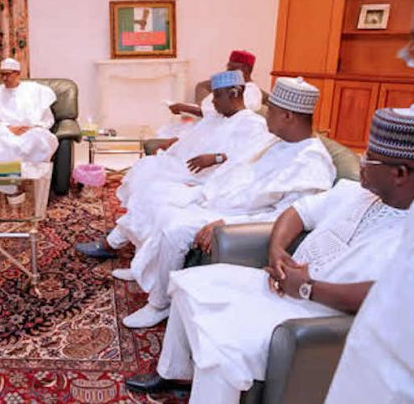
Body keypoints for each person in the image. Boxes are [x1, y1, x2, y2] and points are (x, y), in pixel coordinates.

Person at [125, 106, 414, 404]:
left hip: (319, 312)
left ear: (400, 173)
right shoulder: (354, 193)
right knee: (188, 284)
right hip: (283, 286)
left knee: (222, 348)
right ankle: (175, 373)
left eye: (369, 159)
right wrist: (277, 251)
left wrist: (306, 288)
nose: (360, 163)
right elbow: (297, 212)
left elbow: (391, 296)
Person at [122, 77, 335, 328]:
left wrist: (226, 223)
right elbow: (238, 167)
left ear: (288, 116)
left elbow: (290, 215)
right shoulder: (278, 140)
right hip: (221, 199)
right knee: (162, 201)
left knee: (174, 229)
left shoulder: (311, 161)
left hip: (240, 217)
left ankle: (159, 305)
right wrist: (206, 190)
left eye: (271, 111)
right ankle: (143, 268)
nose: (265, 116)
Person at [75, 70, 272, 260]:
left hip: (211, 178)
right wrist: (176, 142)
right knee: (145, 169)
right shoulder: (219, 117)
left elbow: (249, 158)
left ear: (234, 93)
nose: (213, 101)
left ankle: (112, 243)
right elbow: (199, 134)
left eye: (217, 96)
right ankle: (130, 230)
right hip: (191, 168)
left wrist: (216, 158)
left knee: (152, 189)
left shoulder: (253, 123)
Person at [324, 29, 414, 403]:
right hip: (374, 353)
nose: (405, 55)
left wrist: (308, 287)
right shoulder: (360, 195)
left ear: (400, 173)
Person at [157, 50, 262, 138]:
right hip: (203, 127)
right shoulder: (228, 87)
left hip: (216, 133)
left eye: (231, 69)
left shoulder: (250, 92)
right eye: (227, 69)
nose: (227, 72)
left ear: (245, 69)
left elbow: (224, 113)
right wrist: (185, 109)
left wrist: (186, 109)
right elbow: (209, 109)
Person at [0, 58, 58, 163]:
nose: (4, 78)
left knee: (37, 141)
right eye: (2, 74)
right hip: (7, 131)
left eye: (8, 74)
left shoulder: (34, 90)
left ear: (17, 73)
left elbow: (45, 116)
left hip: (31, 130)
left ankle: (31, 173)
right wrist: (9, 128)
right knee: (1, 142)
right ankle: (7, 173)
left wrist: (30, 127)